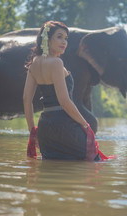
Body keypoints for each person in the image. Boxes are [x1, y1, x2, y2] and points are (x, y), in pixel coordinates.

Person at [23, 20, 97, 160]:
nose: (64, 42)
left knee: (50, 171)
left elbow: (26, 100)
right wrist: (85, 125)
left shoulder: (34, 64)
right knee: (92, 164)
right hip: (65, 125)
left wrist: (33, 131)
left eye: (66, 38)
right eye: (59, 37)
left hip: (45, 127)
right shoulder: (57, 63)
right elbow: (64, 101)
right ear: (47, 39)